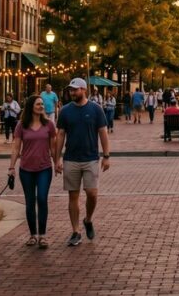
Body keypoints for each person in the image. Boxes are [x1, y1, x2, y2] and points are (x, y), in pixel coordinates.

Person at [55, 78, 111, 247]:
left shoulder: (96, 110)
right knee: (73, 196)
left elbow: (103, 133)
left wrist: (106, 156)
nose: (72, 93)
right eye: (70, 90)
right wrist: (57, 158)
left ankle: (88, 219)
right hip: (71, 158)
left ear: (83, 90)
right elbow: (60, 135)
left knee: (92, 193)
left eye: (75, 90)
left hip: (91, 158)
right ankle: (76, 231)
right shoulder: (65, 111)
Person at [8, 94, 58, 248]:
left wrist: (57, 163)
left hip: (44, 168)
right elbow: (16, 147)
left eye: (42, 104)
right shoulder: (21, 125)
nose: (41, 106)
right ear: (31, 106)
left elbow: (54, 147)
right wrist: (11, 167)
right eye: (38, 104)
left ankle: (42, 235)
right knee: (30, 202)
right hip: (26, 169)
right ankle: (32, 235)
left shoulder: (49, 125)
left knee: (42, 199)